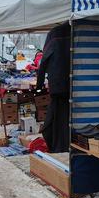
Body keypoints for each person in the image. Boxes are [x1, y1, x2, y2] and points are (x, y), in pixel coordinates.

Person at [36, 23, 71, 153]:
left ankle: (60, 146)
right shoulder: (81, 31)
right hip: (78, 84)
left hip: (58, 84)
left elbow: (44, 60)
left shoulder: (55, 33)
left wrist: (39, 86)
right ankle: (66, 145)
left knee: (58, 120)